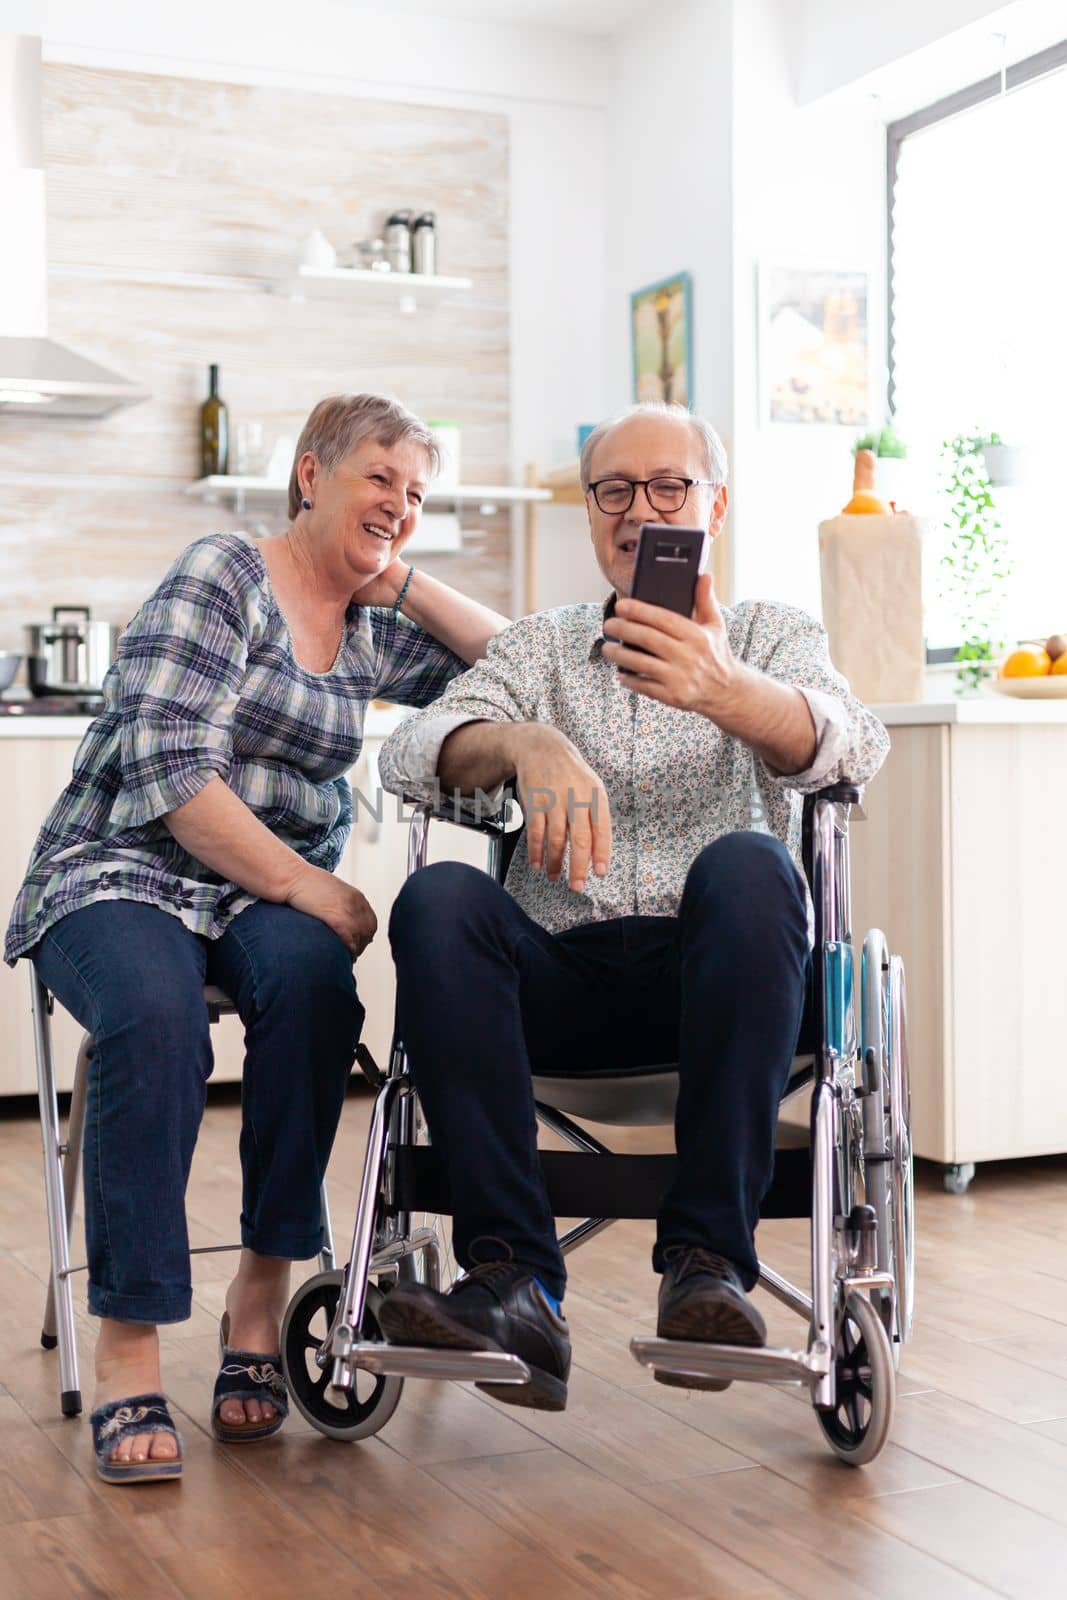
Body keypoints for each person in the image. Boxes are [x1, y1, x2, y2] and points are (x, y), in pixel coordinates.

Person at [4, 393, 510, 1482]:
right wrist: (312, 888)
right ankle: (130, 1338)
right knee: (152, 1012)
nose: (397, 503)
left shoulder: (370, 626)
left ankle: (261, 1295)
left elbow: (508, 664)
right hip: (121, 864)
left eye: (415, 492)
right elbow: (175, 775)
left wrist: (399, 577)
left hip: (253, 900)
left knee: (319, 992)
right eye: (379, 477)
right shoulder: (223, 573)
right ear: (309, 474)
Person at [375, 401, 890, 1412]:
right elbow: (406, 754)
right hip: (561, 982)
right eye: (614, 489)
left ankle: (706, 1265)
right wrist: (520, 744)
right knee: (439, 897)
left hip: (728, 984)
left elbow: (854, 747)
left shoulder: (770, 634)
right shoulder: (539, 648)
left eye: (668, 487)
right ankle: (511, 1279)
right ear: (589, 511)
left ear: (716, 505)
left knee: (747, 860)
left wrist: (726, 689)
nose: (638, 510)